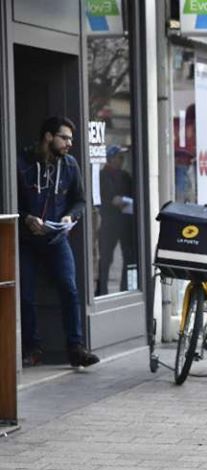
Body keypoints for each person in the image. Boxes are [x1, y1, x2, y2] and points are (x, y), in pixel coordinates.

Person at [17, 116, 99, 368]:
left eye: (71, 139)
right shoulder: (21, 163)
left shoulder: (71, 165)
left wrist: (69, 216)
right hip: (26, 240)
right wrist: (26, 218)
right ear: (48, 137)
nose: (69, 143)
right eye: (64, 138)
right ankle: (32, 349)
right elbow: (9, 201)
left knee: (69, 288)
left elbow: (81, 200)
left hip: (57, 238)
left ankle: (75, 348)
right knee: (25, 295)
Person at [96, 145, 136, 296]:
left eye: (123, 158)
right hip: (109, 221)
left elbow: (135, 195)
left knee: (129, 256)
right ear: (111, 159)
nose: (122, 160)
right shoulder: (101, 176)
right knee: (105, 258)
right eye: (119, 157)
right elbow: (97, 199)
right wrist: (110, 202)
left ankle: (126, 288)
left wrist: (126, 201)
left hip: (126, 221)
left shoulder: (126, 176)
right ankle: (101, 291)